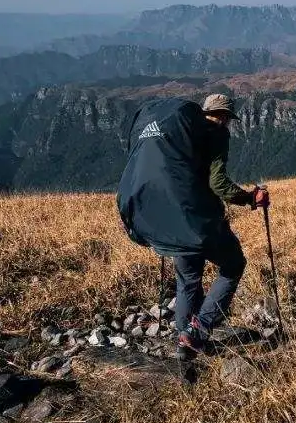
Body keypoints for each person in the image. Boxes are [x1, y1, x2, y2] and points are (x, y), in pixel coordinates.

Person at [115, 93, 269, 358]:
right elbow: (218, 184)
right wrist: (249, 198)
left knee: (187, 280)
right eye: (228, 119)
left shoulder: (178, 134)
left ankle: (183, 347)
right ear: (223, 116)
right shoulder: (216, 133)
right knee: (233, 265)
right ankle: (199, 329)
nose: (227, 124)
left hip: (164, 219)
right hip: (197, 219)